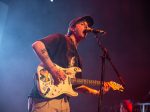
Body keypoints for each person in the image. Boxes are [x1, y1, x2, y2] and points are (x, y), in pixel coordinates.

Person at [28, 15, 110, 112]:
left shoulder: (78, 59)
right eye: (83, 24)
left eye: (88, 26)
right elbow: (37, 45)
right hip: (45, 99)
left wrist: (96, 92)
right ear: (72, 28)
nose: (87, 27)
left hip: (64, 102)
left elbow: (76, 85)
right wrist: (53, 69)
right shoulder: (61, 38)